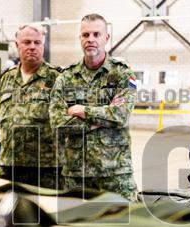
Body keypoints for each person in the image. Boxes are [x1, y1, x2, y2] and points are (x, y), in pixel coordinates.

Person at [49, 13, 137, 200]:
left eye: (96, 34)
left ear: (106, 38)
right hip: (76, 174)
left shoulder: (122, 73)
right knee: (75, 226)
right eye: (85, 35)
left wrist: (83, 111)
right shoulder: (66, 77)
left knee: (123, 225)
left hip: (115, 173)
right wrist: (100, 120)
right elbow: (58, 123)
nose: (91, 39)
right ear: (80, 38)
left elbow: (120, 115)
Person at [0, 24, 60, 189]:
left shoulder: (57, 78)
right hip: (8, 165)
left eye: (37, 42)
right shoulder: (6, 78)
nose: (32, 47)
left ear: (43, 46)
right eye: (27, 42)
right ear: (17, 46)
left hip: (45, 169)